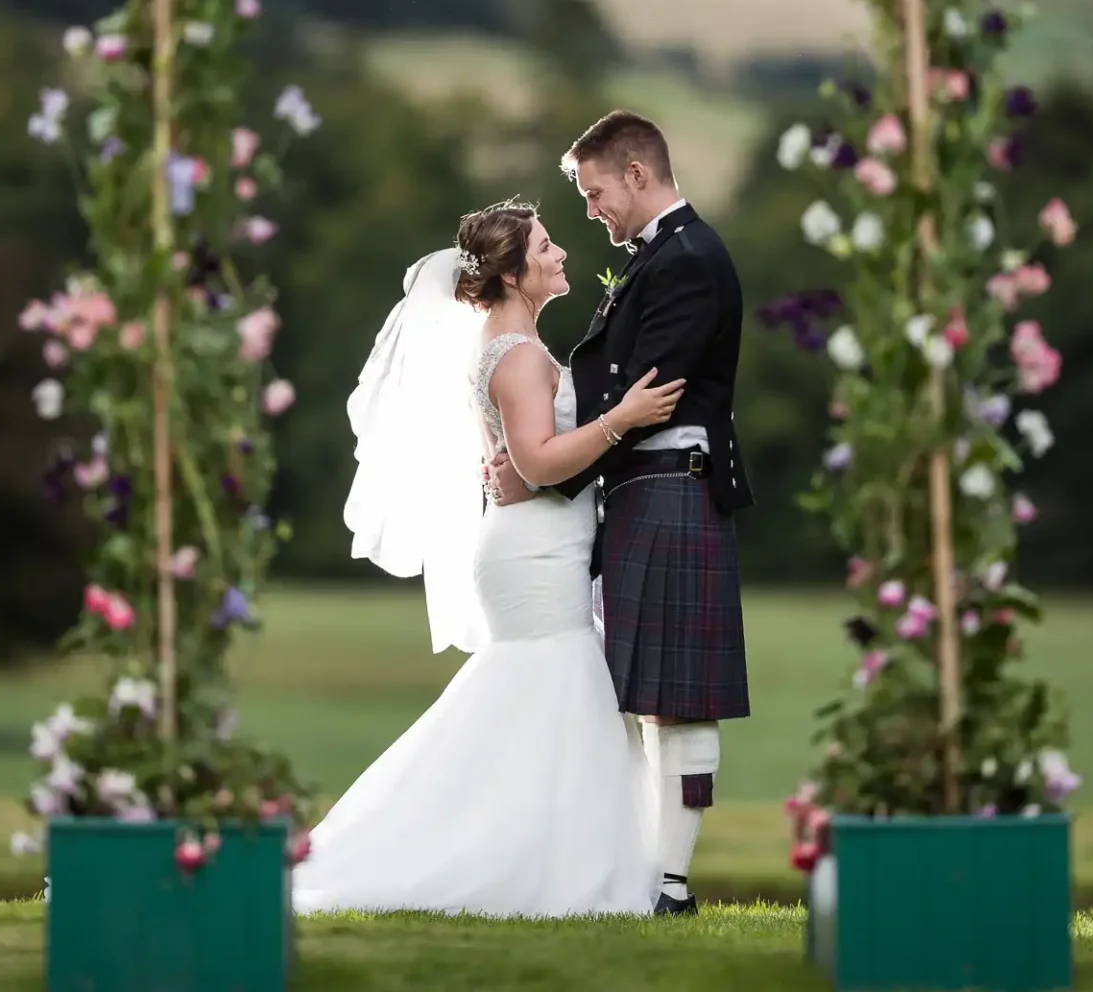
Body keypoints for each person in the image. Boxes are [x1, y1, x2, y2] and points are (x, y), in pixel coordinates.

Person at [291, 199, 684, 918]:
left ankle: (545, 862)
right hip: (533, 553)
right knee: (549, 688)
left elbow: (516, 457)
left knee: (545, 697)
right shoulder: (520, 354)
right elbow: (535, 461)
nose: (560, 252)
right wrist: (621, 419)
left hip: (535, 543)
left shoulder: (509, 345)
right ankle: (516, 867)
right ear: (511, 272)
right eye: (545, 245)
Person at [490, 110, 753, 917]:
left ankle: (669, 883)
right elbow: (621, 399)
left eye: (596, 192)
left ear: (637, 174)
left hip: (672, 481)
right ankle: (650, 871)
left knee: (679, 695)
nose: (592, 210)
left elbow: (646, 395)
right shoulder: (663, 257)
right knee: (647, 694)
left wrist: (540, 473)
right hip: (645, 491)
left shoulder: (690, 260)